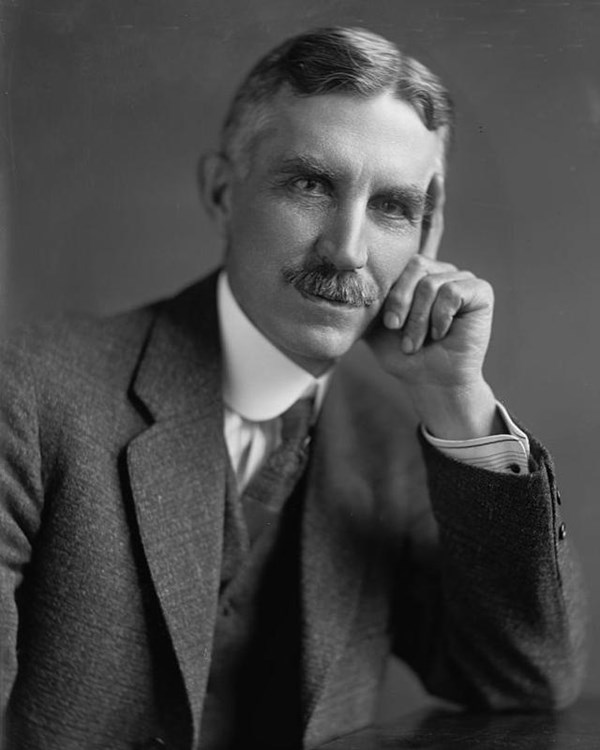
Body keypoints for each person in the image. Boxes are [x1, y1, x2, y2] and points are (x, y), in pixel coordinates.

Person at [0, 25, 586, 750]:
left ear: (426, 241)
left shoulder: (394, 445)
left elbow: (525, 682)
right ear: (222, 191)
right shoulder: (26, 397)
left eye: (392, 207)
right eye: (310, 184)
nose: (347, 250)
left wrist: (456, 401)